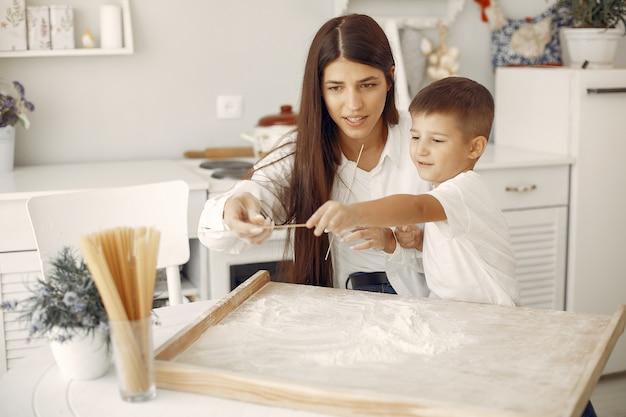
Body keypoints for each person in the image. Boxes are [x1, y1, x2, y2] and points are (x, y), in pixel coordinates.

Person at [197, 14, 431, 295]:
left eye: (367, 85)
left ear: (390, 78)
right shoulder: (302, 151)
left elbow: (464, 246)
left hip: (428, 308)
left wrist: (397, 242)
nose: (354, 105)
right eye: (335, 88)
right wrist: (236, 207)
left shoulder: (425, 138)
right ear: (319, 89)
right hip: (340, 312)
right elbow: (216, 234)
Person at [306, 76, 520, 307]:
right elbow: (451, 261)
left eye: (437, 140)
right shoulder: (447, 198)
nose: (421, 150)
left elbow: (417, 207)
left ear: (474, 147)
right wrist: (417, 243)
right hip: (455, 313)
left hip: (491, 316)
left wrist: (353, 212)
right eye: (416, 136)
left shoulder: (464, 189)